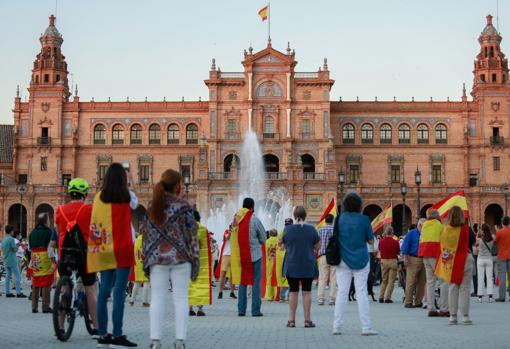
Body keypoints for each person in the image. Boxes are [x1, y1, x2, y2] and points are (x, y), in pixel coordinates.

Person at [142, 169, 200, 349]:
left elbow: (146, 235)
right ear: (178, 187)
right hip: (181, 259)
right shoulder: (184, 207)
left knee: (157, 298)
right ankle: (180, 341)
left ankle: (155, 341)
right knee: (181, 299)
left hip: (157, 259)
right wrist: (195, 262)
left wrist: (146, 259)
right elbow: (192, 235)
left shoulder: (152, 206)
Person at [88, 163, 137, 348]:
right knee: (119, 292)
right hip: (122, 248)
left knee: (104, 291)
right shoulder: (127, 196)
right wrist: (130, 178)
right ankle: (117, 334)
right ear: (123, 179)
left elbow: (96, 221)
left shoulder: (98, 197)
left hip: (103, 248)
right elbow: (137, 203)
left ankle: (102, 334)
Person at [54, 178, 98, 337]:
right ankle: (97, 327)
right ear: (85, 193)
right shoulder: (89, 209)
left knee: (65, 287)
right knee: (90, 288)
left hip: (65, 253)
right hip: (83, 253)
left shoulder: (59, 209)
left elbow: (59, 229)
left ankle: (60, 326)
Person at [332, 192, 378, 336]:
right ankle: (366, 327)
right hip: (361, 260)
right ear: (359, 205)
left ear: (345, 205)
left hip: (343, 259)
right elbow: (371, 241)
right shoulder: (364, 219)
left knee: (342, 292)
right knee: (362, 292)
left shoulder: (339, 219)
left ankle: (337, 326)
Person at [435, 206, 474, 325]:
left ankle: (452, 316)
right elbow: (472, 241)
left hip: (451, 261)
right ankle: (465, 316)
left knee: (453, 287)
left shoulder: (445, 230)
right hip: (465, 259)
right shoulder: (466, 229)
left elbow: (441, 246)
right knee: (465, 288)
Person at [282, 206, 320, 327]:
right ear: (305, 215)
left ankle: (291, 320)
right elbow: (318, 247)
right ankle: (307, 320)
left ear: (294, 215)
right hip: (307, 264)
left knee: (293, 292)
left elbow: (283, 246)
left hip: (292, 264)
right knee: (306, 292)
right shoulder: (311, 229)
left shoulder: (287, 230)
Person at [231, 197, 266, 317]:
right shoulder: (255, 220)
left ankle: (241, 310)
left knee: (243, 282)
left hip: (240, 255)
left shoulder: (235, 219)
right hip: (255, 255)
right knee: (256, 282)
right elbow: (263, 238)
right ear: (252, 207)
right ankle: (255, 310)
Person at [418, 209, 449, 317]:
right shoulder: (440, 226)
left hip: (425, 255)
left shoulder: (424, 226)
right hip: (437, 255)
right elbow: (445, 242)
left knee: (430, 282)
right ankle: (444, 308)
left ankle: (431, 308)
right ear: (437, 216)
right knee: (443, 281)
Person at [28, 213, 55, 313]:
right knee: (46, 282)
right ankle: (45, 306)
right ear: (45, 221)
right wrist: (53, 260)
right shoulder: (49, 232)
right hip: (45, 257)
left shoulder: (32, 232)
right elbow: (51, 247)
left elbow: (30, 248)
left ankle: (34, 307)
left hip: (35, 257)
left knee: (36, 281)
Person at [189, 210, 212, 316]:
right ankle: (200, 309)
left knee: (190, 283)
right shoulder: (203, 229)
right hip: (201, 261)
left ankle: (190, 308)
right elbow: (206, 247)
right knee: (201, 284)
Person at [401, 218, 426, 308]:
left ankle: (418, 301)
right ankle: (408, 301)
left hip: (425, 259)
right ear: (419, 225)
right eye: (424, 226)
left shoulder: (426, 233)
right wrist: (405, 258)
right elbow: (405, 246)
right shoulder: (411, 233)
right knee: (411, 281)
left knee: (422, 282)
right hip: (413, 258)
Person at [1, 225, 26, 298]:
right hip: (12, 260)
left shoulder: (4, 239)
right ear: (11, 231)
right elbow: (15, 250)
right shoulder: (11, 239)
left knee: (8, 276)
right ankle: (18, 293)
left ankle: (7, 292)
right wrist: (18, 245)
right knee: (17, 275)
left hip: (6, 259)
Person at [317, 214, 336, 306]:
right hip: (334, 256)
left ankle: (320, 299)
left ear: (325, 220)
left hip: (323, 256)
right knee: (333, 278)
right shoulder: (336, 230)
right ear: (332, 221)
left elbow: (317, 243)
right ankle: (332, 299)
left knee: (322, 278)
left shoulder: (320, 230)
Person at [378, 225, 400, 303]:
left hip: (383, 261)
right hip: (393, 261)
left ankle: (381, 297)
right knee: (391, 281)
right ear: (392, 233)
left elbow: (380, 250)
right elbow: (398, 252)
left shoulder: (381, 242)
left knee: (384, 280)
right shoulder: (395, 242)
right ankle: (387, 298)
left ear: (385, 232)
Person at [215, 228, 237, 299]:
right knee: (223, 274)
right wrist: (231, 232)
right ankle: (220, 292)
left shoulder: (237, 232)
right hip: (226, 255)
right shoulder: (227, 231)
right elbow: (227, 238)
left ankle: (232, 292)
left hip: (234, 255)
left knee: (233, 275)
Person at [129, 232, 150, 307]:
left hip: (137, 264)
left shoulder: (136, 240)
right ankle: (145, 301)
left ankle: (132, 300)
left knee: (136, 283)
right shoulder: (146, 240)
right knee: (146, 283)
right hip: (145, 263)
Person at [475, 224, 494, 302]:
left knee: (480, 278)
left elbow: (476, 247)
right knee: (489, 278)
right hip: (489, 259)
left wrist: (477, 234)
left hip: (480, 259)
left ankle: (480, 296)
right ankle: (490, 296)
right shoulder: (492, 238)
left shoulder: (479, 239)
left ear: (482, 230)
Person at [495, 216, 510, 302]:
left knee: (502, 277)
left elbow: (496, 242)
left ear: (502, 222)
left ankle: (502, 296)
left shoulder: (499, 232)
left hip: (501, 256)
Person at [265, 229, 279, 301]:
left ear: (270, 234)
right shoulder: (279, 240)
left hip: (269, 262)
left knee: (269, 278)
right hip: (277, 262)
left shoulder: (267, 241)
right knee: (277, 278)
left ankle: (270, 296)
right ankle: (277, 296)